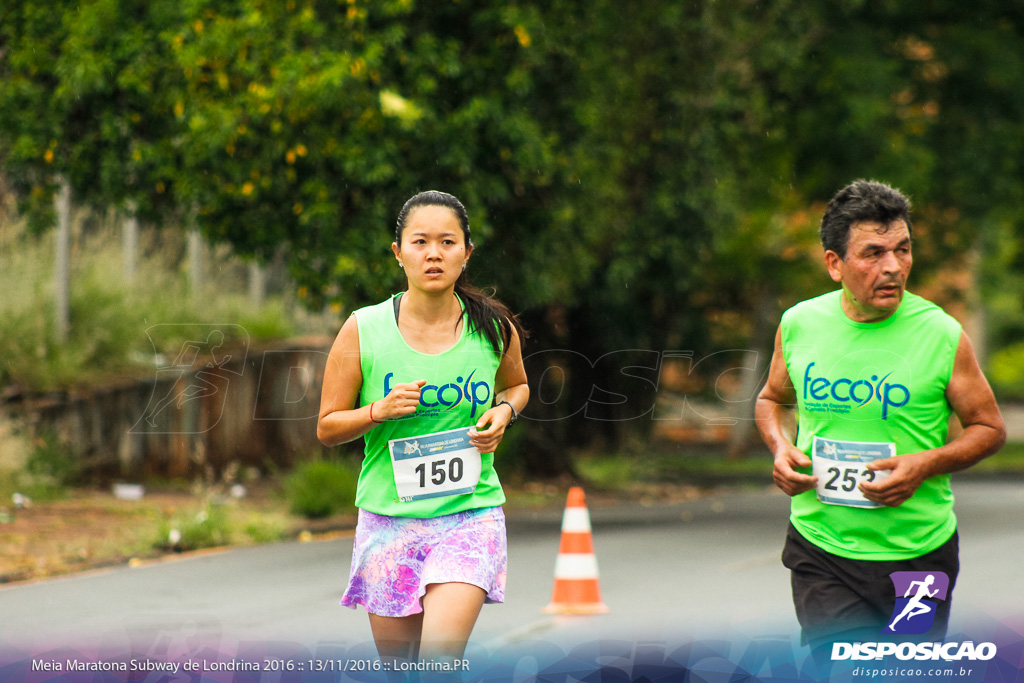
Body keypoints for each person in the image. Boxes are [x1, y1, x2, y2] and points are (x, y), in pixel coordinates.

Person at [755, 179, 1005, 647]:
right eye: (873, 253)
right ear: (835, 264)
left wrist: (923, 464)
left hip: (918, 553)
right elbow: (772, 400)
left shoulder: (941, 334)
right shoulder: (800, 324)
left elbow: (989, 428)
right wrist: (780, 448)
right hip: (822, 548)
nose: (893, 267)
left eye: (903, 250)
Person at [317, 190, 529, 669]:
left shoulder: (494, 327)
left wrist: (504, 412)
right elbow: (328, 427)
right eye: (420, 242)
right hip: (388, 521)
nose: (433, 253)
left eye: (447, 242)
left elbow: (517, 386)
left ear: (466, 253)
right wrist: (378, 411)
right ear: (398, 253)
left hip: (469, 515)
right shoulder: (363, 329)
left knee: (438, 659)